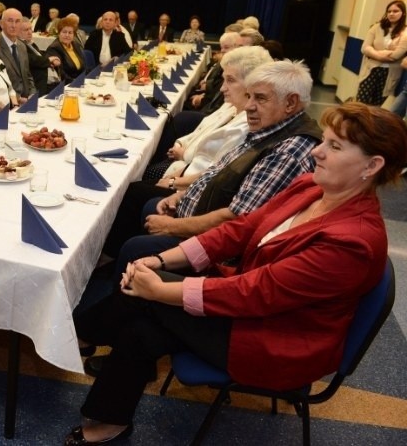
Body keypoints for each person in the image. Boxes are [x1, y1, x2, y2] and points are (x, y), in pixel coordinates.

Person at [66, 102, 407, 445]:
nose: (317, 151)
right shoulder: (311, 187)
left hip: (278, 340)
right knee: (143, 322)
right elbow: (243, 229)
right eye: (325, 140)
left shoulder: (354, 241)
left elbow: (257, 291)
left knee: (145, 301)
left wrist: (159, 290)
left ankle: (78, 335)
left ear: (372, 165)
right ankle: (106, 407)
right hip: (251, 309)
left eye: (334, 146)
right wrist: (164, 261)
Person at [100, 59, 322, 264]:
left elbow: (237, 220)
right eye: (249, 96)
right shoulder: (271, 129)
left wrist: (173, 226)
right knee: (149, 206)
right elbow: (220, 171)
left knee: (135, 246)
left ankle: (121, 287)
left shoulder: (288, 151)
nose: (248, 106)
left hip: (217, 249)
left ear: (291, 103)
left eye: (260, 98)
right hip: (202, 213)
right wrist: (182, 194)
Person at [144, 46, 273, 185]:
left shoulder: (249, 124)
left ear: (251, 84)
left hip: (189, 182)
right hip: (184, 166)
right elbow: (202, 130)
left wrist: (175, 178)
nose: (222, 88)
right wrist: (181, 143)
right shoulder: (231, 106)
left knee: (136, 187)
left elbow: (214, 172)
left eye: (230, 80)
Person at [356, 0, 407, 106]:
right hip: (371, 69)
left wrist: (373, 53)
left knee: (376, 106)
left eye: (395, 11)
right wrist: (381, 54)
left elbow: (396, 55)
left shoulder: (405, 32)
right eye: (389, 11)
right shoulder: (377, 27)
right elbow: (365, 48)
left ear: (403, 13)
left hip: (389, 73)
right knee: (360, 103)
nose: (391, 14)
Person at [0, 7, 36, 100]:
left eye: (17, 21)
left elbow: (28, 75)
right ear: (1, 24)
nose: (14, 25)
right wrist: (17, 99)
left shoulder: (22, 46)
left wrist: (32, 94)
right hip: (7, 103)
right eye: (10, 21)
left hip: (27, 100)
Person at [19, 17, 57, 95]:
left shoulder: (30, 43)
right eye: (26, 30)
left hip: (47, 82)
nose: (30, 32)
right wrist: (48, 60)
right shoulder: (19, 45)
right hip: (37, 85)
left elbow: (40, 54)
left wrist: (50, 60)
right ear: (17, 32)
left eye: (30, 29)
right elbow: (32, 59)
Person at [45, 16, 86, 85]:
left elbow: (83, 66)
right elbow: (61, 74)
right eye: (64, 32)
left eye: (70, 33)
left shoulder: (75, 44)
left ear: (74, 35)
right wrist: (75, 83)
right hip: (66, 85)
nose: (67, 35)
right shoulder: (54, 48)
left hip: (79, 82)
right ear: (59, 33)